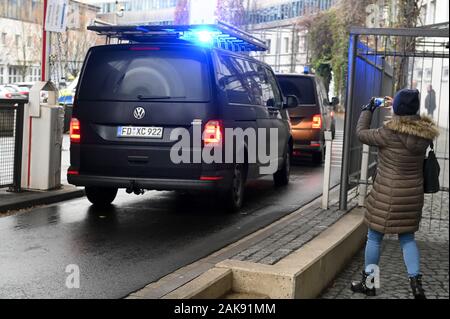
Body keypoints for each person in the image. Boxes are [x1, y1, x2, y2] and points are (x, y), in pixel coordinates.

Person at [350, 89, 439, 299]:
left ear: (397, 109)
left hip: (386, 197)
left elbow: (361, 133)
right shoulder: (424, 134)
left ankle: (369, 284)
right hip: (412, 197)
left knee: (374, 238)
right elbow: (408, 123)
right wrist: (399, 108)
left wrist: (368, 109)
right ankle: (416, 284)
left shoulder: (387, 133)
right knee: (407, 239)